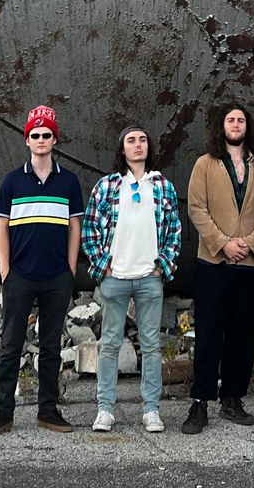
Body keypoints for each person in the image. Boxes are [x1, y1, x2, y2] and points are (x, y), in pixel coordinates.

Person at [0, 105, 85, 435]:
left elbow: (74, 226)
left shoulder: (68, 182)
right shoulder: (13, 181)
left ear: (55, 140)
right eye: (35, 135)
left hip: (57, 276)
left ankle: (48, 410)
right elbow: (2, 227)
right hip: (20, 276)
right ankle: (4, 412)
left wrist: (70, 268)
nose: (41, 139)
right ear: (27, 140)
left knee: (51, 347)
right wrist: (5, 270)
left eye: (47, 134)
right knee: (11, 345)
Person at [182, 102, 254, 434]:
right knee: (209, 333)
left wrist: (250, 243)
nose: (235, 124)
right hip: (213, 262)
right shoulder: (205, 165)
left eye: (240, 120)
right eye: (230, 120)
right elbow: (197, 209)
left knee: (244, 334)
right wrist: (223, 243)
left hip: (251, 264)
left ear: (247, 127)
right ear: (221, 127)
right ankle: (200, 402)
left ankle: (233, 398)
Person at [81, 125, 182, 433]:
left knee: (151, 346)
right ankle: (105, 409)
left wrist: (162, 267)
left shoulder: (162, 186)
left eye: (142, 140)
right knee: (110, 345)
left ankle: (151, 410)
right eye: (131, 140)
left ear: (148, 147)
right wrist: (103, 266)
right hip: (116, 278)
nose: (138, 145)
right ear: (122, 148)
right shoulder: (108, 185)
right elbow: (90, 228)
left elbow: (175, 230)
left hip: (149, 278)